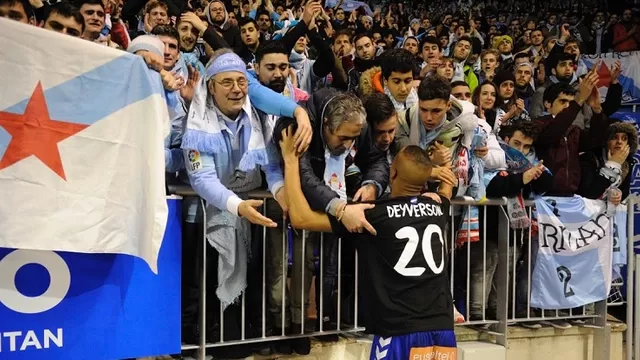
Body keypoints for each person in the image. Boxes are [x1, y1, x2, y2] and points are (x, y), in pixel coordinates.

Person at [278, 122, 459, 360]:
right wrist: (441, 165)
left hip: (399, 331)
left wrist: (290, 161)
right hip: (443, 328)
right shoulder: (437, 207)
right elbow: (447, 186)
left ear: (392, 174)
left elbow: (300, 218)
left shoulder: (373, 214)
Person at [534, 73, 610, 196]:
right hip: (543, 196)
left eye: (571, 102)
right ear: (547, 104)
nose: (568, 106)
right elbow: (553, 132)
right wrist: (579, 100)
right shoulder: (537, 125)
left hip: (570, 196)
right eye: (563, 101)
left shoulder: (574, 130)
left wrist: (597, 109)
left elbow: (596, 140)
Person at [579, 122, 638, 204]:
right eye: (614, 137)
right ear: (606, 141)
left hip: (606, 213)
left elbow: (624, 191)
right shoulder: (589, 158)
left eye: (624, 139)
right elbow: (589, 194)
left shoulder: (627, 162)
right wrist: (612, 165)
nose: (619, 142)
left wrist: (617, 195)